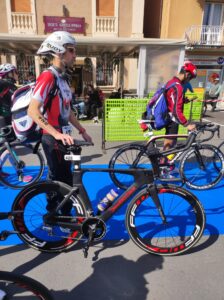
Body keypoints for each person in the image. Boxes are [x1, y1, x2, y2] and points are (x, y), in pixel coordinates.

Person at [28, 31, 93, 214]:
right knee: (58, 180)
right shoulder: (48, 76)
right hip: (52, 138)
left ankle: (65, 214)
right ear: (59, 51)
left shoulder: (63, 79)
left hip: (63, 138)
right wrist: (56, 134)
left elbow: (68, 111)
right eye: (71, 50)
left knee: (67, 179)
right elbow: (32, 110)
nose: (74, 55)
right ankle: (53, 215)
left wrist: (82, 130)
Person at [161, 61, 197, 177]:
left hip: (168, 117)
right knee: (170, 145)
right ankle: (164, 169)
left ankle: (166, 166)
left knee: (169, 144)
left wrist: (183, 100)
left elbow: (172, 101)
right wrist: (187, 124)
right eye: (190, 78)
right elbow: (176, 111)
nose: (189, 81)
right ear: (187, 74)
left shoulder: (171, 82)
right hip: (172, 119)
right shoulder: (178, 86)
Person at [0, 63, 18, 178]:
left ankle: (18, 171)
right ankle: (19, 172)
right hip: (6, 120)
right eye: (15, 72)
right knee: (10, 147)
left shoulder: (8, 85)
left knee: (9, 147)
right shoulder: (6, 84)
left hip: (5, 119)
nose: (17, 74)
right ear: (9, 73)